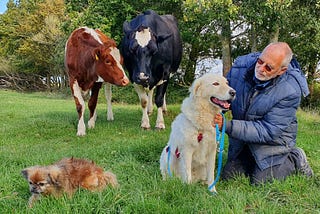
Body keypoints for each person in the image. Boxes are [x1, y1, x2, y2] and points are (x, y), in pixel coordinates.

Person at [214, 42, 313, 185]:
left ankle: (295, 158)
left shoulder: (291, 90)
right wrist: (215, 110)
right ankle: (250, 160)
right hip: (243, 140)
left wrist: (227, 126)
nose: (261, 68)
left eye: (269, 67)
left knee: (260, 182)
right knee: (230, 176)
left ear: (281, 70)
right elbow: (225, 95)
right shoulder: (240, 66)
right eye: (260, 61)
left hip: (272, 144)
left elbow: (267, 130)